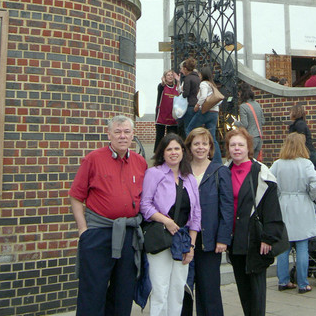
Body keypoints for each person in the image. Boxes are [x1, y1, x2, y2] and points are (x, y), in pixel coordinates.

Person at [69, 115, 148, 316]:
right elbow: (76, 197)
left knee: (123, 292)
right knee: (92, 292)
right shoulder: (93, 159)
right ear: (109, 134)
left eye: (127, 132)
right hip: (99, 234)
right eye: (118, 132)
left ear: (133, 135)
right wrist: (83, 231)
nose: (123, 136)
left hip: (128, 236)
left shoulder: (140, 162)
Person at [226, 127, 285, 316]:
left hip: (255, 240)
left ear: (248, 147)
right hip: (235, 240)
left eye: (240, 145)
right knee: (243, 288)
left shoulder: (261, 173)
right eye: (233, 145)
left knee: (257, 291)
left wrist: (268, 237)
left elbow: (271, 208)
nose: (236, 149)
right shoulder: (224, 172)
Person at [141, 133, 201, 316]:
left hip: (182, 240)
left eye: (177, 148)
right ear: (162, 152)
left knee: (177, 289)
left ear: (183, 151)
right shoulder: (154, 173)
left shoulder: (189, 178)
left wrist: (191, 245)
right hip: (161, 239)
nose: (173, 153)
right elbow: (145, 205)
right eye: (169, 149)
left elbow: (196, 214)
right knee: (160, 289)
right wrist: (165, 220)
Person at [181, 127, 233, 316]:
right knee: (184, 291)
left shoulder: (219, 171)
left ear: (211, 147)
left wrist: (223, 238)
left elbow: (226, 208)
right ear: (189, 146)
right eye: (196, 144)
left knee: (209, 291)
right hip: (185, 239)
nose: (200, 148)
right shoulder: (182, 170)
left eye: (204, 144)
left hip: (209, 240)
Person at [270, 133, 316, 293]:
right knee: (302, 245)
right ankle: (302, 283)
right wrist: (311, 195)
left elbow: (269, 181)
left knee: (283, 247)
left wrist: (279, 195)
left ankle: (283, 281)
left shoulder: (278, 164)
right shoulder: (305, 163)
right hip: (302, 205)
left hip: (283, 204)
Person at [185, 66, 223, 164]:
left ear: (203, 75)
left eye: (200, 74)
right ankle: (217, 161)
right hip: (214, 113)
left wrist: (197, 105)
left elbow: (203, 97)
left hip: (205, 111)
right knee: (212, 137)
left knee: (189, 129)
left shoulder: (204, 84)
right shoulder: (212, 84)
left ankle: (190, 153)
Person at [235, 84, 264, 159]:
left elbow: (244, 124)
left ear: (241, 93)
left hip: (250, 138)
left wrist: (235, 123)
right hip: (259, 137)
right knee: (255, 163)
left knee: (247, 161)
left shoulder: (243, 106)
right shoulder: (257, 104)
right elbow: (263, 121)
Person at [155, 70, 180, 152]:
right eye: (168, 75)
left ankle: (169, 151)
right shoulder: (161, 87)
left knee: (172, 136)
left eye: (171, 75)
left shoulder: (176, 87)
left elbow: (180, 91)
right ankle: (158, 152)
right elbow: (161, 86)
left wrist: (179, 81)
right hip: (162, 114)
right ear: (165, 77)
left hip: (172, 115)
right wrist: (163, 82)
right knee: (160, 135)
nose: (170, 76)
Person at [288, 103, 316, 168]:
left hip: (307, 155)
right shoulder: (299, 123)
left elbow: (300, 141)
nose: (289, 114)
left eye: (290, 112)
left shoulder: (299, 124)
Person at [180, 58, 201, 135]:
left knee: (188, 128)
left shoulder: (187, 78)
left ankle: (189, 145)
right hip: (197, 104)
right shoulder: (197, 78)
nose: (181, 71)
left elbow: (186, 94)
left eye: (182, 69)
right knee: (196, 128)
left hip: (190, 105)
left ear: (185, 69)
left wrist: (182, 91)